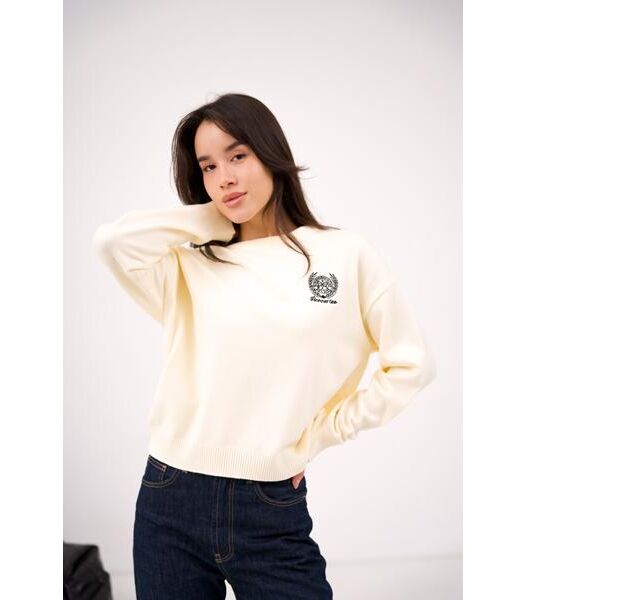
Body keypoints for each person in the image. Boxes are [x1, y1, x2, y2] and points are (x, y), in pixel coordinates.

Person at [92, 92, 437, 599]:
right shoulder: (189, 264)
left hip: (269, 502)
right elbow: (112, 243)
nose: (224, 178)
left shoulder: (345, 255)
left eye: (237, 156)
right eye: (208, 167)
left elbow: (412, 365)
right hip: (169, 496)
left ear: (270, 153)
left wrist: (320, 435)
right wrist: (214, 219)